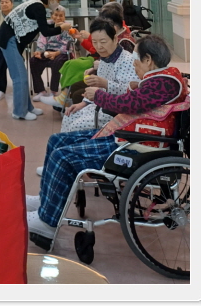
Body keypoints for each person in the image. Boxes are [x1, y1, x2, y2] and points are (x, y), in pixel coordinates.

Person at [25, 35, 189, 246]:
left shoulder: (163, 83)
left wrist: (99, 96)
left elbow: (130, 103)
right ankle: (47, 200)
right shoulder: (163, 78)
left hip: (137, 146)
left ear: (148, 60)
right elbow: (138, 96)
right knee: (57, 141)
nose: (133, 63)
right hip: (132, 136)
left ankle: (47, 222)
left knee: (62, 157)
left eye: (136, 58)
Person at [41, 17, 137, 139]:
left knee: (76, 127)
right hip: (100, 105)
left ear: (114, 39)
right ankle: (67, 148)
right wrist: (83, 103)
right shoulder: (105, 59)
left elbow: (131, 93)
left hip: (115, 112)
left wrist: (106, 84)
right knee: (69, 115)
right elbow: (97, 91)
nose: (99, 47)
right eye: (95, 42)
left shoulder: (127, 61)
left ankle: (73, 148)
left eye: (103, 42)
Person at [0, 0, 71, 120]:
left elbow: (41, 26)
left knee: (22, 76)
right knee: (20, 77)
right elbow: (45, 32)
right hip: (8, 40)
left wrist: (56, 26)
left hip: (12, 40)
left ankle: (28, 107)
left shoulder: (36, 5)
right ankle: (19, 112)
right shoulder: (38, 7)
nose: (58, 4)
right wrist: (62, 28)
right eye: (58, 0)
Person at [30, 6, 75, 100]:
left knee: (56, 62)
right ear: (51, 16)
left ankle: (53, 91)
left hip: (62, 52)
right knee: (33, 61)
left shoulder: (67, 27)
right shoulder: (47, 25)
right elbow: (42, 40)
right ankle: (41, 91)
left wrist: (56, 53)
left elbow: (67, 43)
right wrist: (39, 51)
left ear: (64, 17)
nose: (58, 18)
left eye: (61, 15)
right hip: (47, 51)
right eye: (56, 15)